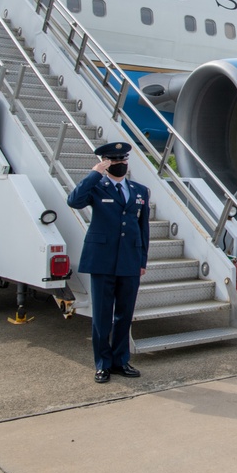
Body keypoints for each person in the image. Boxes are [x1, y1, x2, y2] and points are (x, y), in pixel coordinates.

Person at [67, 142, 150, 384]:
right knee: (103, 316)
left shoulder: (139, 190)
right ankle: (102, 364)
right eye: (114, 161)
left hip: (130, 261)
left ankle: (120, 361)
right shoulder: (97, 187)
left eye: (123, 160)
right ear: (106, 163)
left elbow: (142, 229)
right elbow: (74, 201)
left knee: (125, 315)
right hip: (102, 261)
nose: (121, 164)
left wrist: (142, 260)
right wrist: (95, 173)